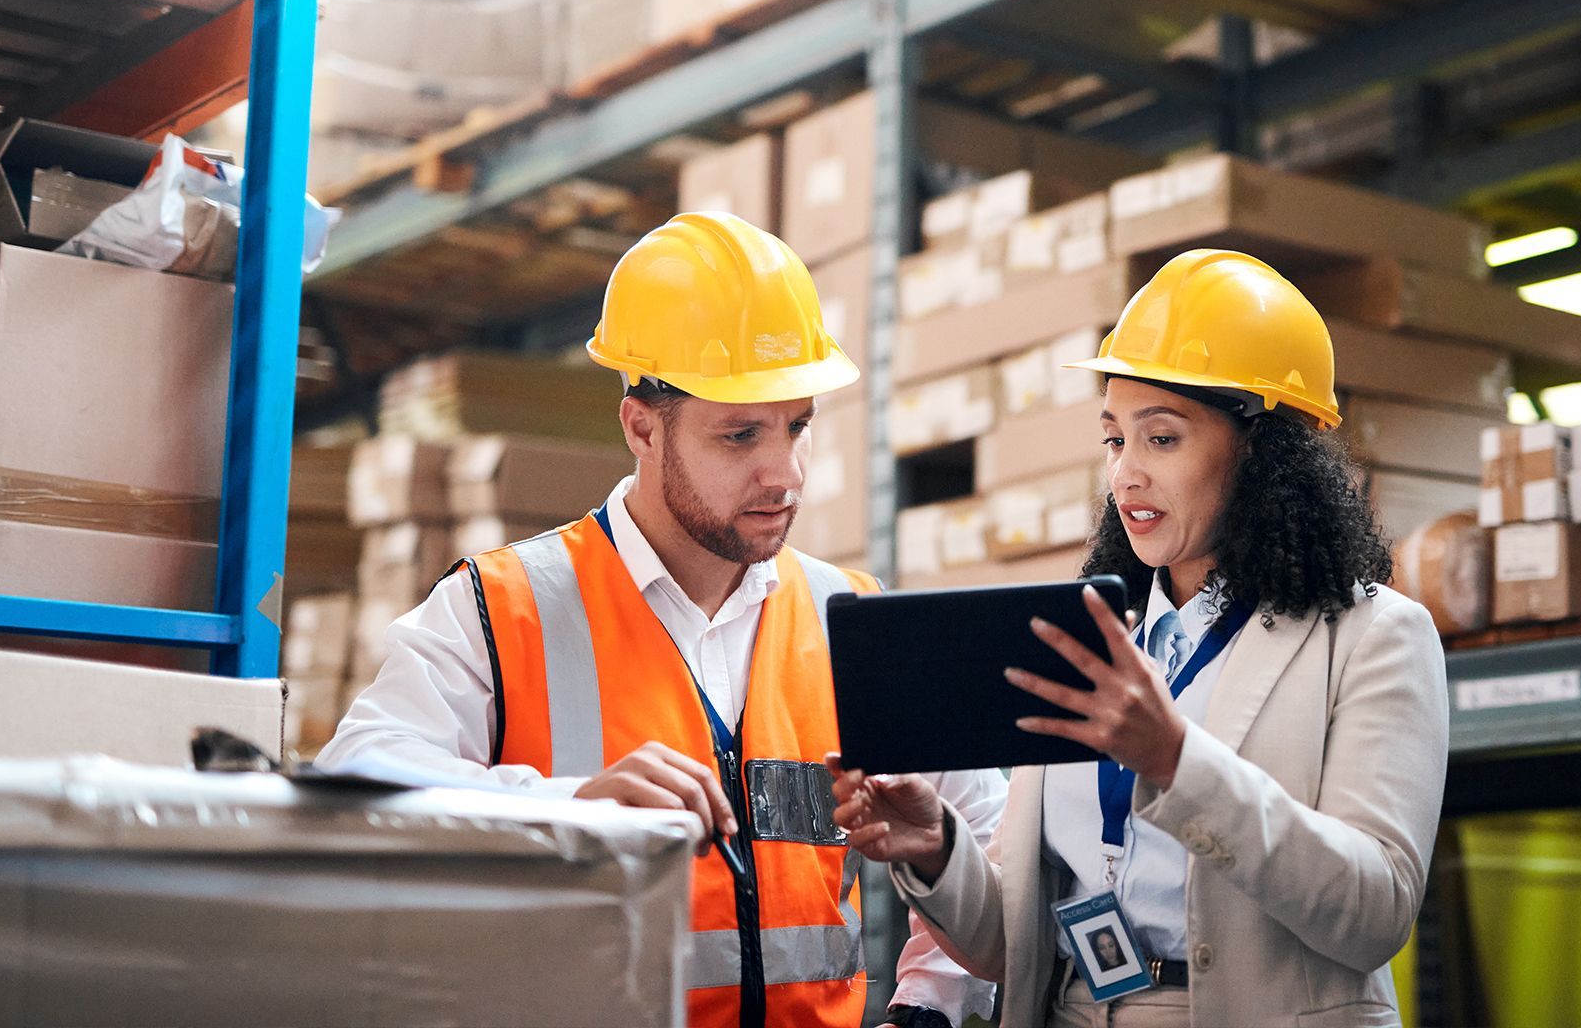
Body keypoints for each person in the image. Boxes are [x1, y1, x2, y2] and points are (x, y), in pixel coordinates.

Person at [323, 213, 1004, 1028]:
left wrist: (931, 1007)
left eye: (798, 427)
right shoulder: (501, 608)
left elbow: (992, 855)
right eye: (741, 434)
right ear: (641, 427)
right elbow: (354, 789)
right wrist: (567, 808)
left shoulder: (853, 623)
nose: (783, 473)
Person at [829, 249, 1450, 1028]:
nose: (1125, 475)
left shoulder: (1374, 638)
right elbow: (1009, 947)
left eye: (1162, 439)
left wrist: (1176, 761)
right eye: (1115, 440)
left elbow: (1373, 913)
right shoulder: (1092, 639)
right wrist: (936, 849)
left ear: (1265, 451)